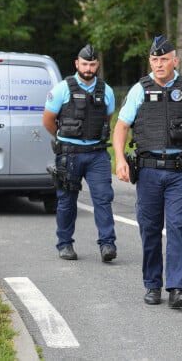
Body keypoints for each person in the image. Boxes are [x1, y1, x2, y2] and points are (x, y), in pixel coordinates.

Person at [113, 35, 182, 308]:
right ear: (150, 61)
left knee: (177, 226)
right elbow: (121, 127)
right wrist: (120, 159)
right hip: (147, 172)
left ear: (175, 61)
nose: (159, 64)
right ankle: (153, 284)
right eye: (155, 60)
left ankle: (178, 288)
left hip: (179, 171)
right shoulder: (139, 90)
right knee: (150, 228)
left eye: (164, 59)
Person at [43, 44, 117, 262]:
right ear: (77, 64)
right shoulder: (62, 89)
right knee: (66, 200)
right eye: (84, 64)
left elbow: (107, 119)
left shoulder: (107, 91)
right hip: (70, 153)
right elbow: (48, 120)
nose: (88, 68)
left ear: (97, 65)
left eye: (92, 64)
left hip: (97, 153)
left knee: (103, 198)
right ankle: (65, 244)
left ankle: (107, 245)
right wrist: (63, 138)